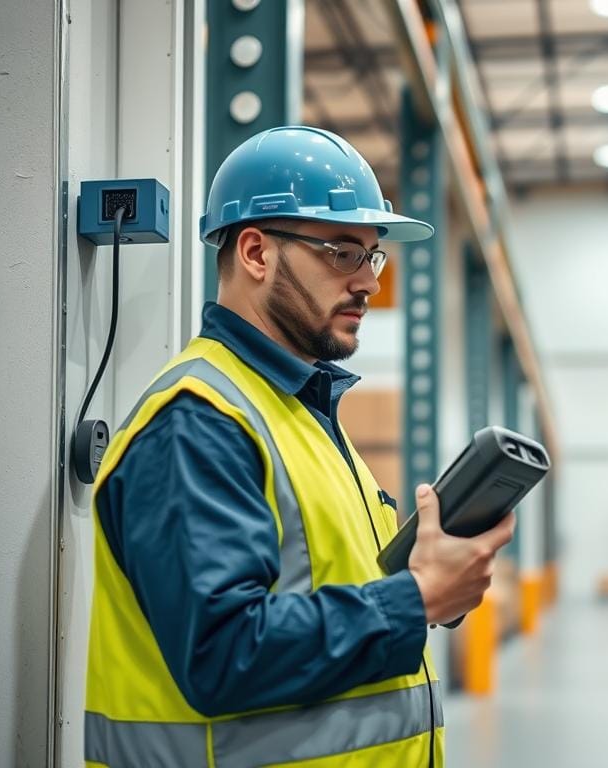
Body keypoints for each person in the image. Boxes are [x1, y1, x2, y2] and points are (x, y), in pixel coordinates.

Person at [83, 126, 515, 768]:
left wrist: (434, 579)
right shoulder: (197, 425)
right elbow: (222, 654)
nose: (369, 283)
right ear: (256, 253)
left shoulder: (303, 412)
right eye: (343, 252)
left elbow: (340, 590)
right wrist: (417, 598)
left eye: (373, 256)